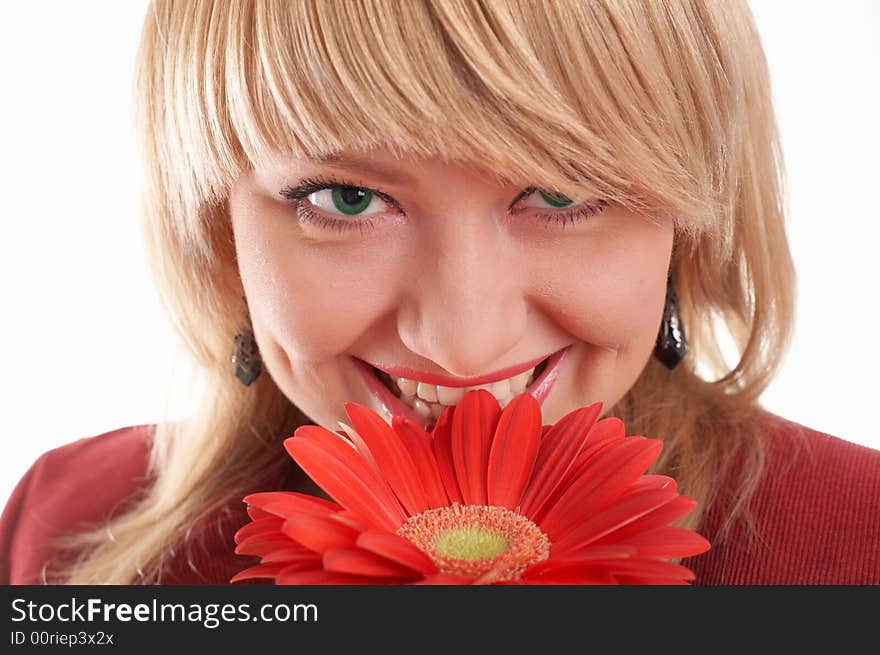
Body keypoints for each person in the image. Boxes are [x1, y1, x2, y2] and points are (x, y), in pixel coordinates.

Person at [1, 0, 878, 586]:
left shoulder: (854, 547)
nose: (462, 342)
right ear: (217, 231)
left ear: (690, 226)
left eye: (564, 195)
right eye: (346, 200)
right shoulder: (62, 528)